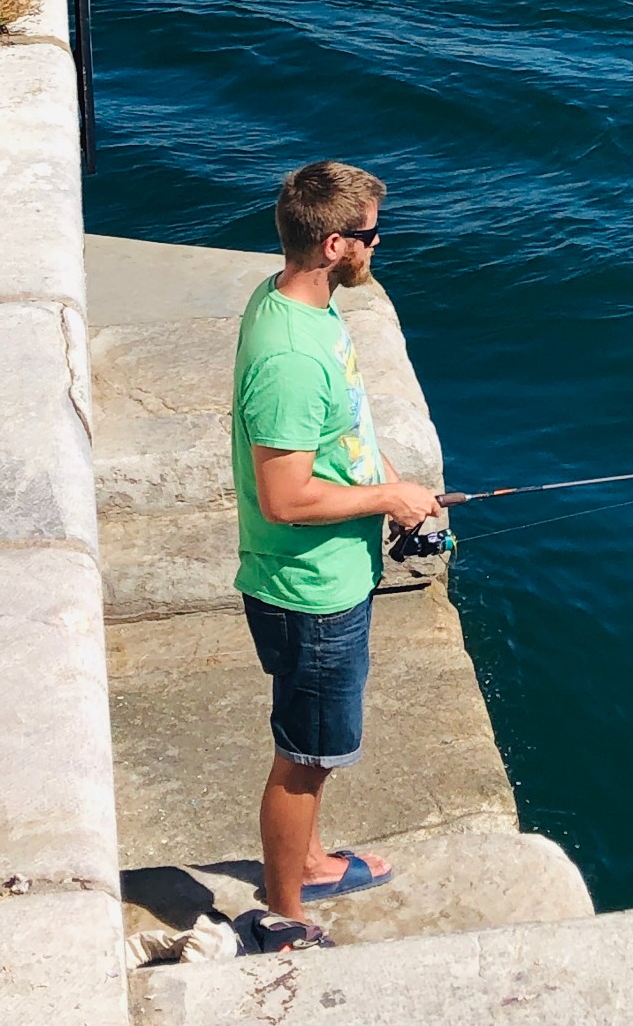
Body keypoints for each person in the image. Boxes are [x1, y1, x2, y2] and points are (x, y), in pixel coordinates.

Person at [231, 161, 439, 952]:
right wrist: (390, 502)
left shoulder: (299, 304)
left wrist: (391, 481)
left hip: (332, 577)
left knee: (312, 744)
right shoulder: (289, 357)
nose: (377, 245)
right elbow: (284, 495)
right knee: (305, 757)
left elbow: (341, 436)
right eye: (370, 236)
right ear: (332, 244)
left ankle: (311, 856)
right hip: (309, 593)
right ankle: (285, 906)